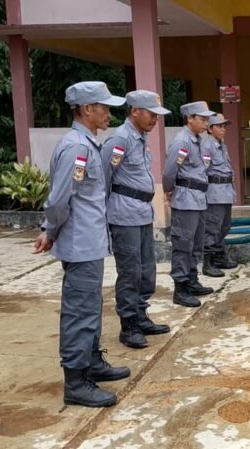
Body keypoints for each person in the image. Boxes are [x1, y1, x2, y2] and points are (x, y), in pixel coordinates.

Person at [33, 81, 129, 407]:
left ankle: (92, 362)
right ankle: (76, 382)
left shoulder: (87, 144)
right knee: (79, 312)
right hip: (81, 243)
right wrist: (51, 229)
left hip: (90, 241)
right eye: (103, 107)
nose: (108, 113)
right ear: (87, 109)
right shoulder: (77, 149)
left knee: (90, 307)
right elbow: (60, 199)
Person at [100, 90, 171, 349]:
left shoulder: (140, 137)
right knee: (130, 271)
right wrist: (103, 216)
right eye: (152, 115)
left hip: (141, 213)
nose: (155, 120)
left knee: (146, 269)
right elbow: (104, 179)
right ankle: (128, 325)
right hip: (124, 215)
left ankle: (141, 316)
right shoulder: (119, 139)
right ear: (135, 112)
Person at [163, 101, 217, 307]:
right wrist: (169, 189)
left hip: (199, 199)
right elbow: (169, 172)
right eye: (202, 119)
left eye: (206, 119)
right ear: (189, 119)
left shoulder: (197, 140)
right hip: (185, 200)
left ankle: (192, 280)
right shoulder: (182, 141)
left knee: (195, 245)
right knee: (183, 245)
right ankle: (181, 287)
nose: (206, 123)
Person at [202, 113, 239, 275]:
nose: (223, 129)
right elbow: (203, 169)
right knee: (212, 228)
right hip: (214, 193)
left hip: (225, 192)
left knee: (224, 227)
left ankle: (219, 257)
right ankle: (208, 263)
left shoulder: (221, 144)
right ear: (210, 129)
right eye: (219, 126)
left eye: (224, 126)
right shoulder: (207, 146)